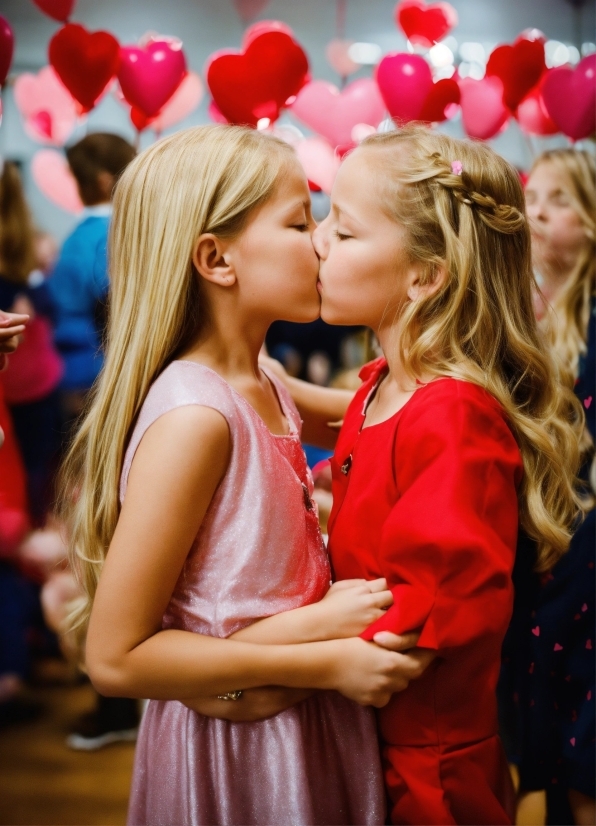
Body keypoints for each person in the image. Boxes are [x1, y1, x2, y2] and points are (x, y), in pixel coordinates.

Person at [59, 125, 432, 826]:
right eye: (301, 222)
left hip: (297, 719)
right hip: (241, 755)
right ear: (216, 259)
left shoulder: (263, 379)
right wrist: (324, 657)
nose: (322, 241)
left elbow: (391, 410)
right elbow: (116, 658)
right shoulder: (197, 418)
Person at [263, 127, 584, 825]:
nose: (317, 242)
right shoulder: (386, 382)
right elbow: (351, 430)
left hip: (426, 771)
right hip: (369, 740)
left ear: (425, 275)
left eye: (343, 235)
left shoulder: (452, 417)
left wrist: (243, 658)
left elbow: (413, 627)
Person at [513, 148, 595, 826]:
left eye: (558, 199)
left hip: (581, 540)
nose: (536, 210)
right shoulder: (527, 307)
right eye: (531, 195)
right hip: (547, 533)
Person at [49, 133, 136, 421]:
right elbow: (116, 305)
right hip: (101, 371)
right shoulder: (113, 234)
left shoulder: (76, 237)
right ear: (106, 180)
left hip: (70, 367)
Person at [0, 161, 63, 525]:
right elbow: (46, 314)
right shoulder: (27, 248)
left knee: (30, 468)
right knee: (34, 467)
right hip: (33, 380)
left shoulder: (28, 249)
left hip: (26, 382)